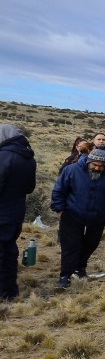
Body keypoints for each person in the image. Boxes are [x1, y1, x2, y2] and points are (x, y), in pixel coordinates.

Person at [51, 149, 105, 289]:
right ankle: (65, 276)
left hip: (97, 217)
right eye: (94, 165)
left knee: (91, 243)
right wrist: (59, 209)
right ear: (88, 162)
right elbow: (59, 190)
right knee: (71, 246)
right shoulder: (71, 170)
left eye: (101, 166)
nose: (97, 168)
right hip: (72, 214)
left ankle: (80, 268)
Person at [0, 125, 37, 301]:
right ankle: (9, 292)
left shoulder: (4, 156)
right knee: (9, 252)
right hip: (16, 214)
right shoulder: (29, 158)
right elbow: (30, 188)